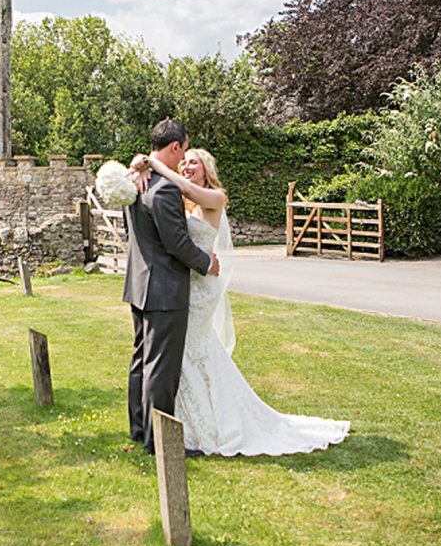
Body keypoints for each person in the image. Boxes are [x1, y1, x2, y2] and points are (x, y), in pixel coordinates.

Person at [132, 147, 350, 456]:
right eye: (184, 162)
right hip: (185, 282)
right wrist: (139, 166)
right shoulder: (185, 201)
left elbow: (182, 188)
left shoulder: (215, 197)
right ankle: (181, 421)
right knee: (180, 356)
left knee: (192, 350)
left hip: (201, 286)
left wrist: (153, 162)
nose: (187, 166)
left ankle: (206, 424)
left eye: (194, 162)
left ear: (207, 169)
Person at [123, 119, 220, 456]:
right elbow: (177, 243)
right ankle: (159, 443)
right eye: (183, 152)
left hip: (139, 285)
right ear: (175, 146)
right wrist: (207, 263)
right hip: (164, 290)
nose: (183, 161)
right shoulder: (162, 188)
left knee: (141, 362)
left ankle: (139, 429)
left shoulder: (135, 182)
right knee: (160, 370)